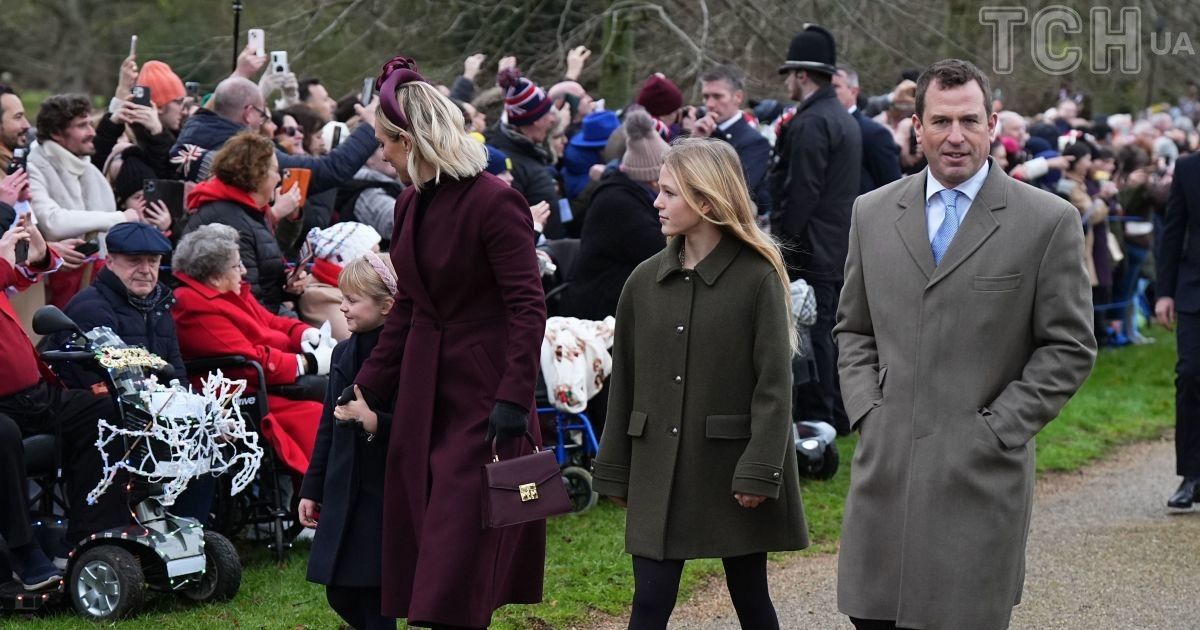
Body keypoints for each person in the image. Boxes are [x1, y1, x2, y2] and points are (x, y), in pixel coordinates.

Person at [834, 58, 1096, 630]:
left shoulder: (1047, 221)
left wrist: (999, 427)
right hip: (887, 472)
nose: (956, 137)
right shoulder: (872, 214)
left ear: (993, 125)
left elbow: (1070, 346)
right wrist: (867, 410)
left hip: (978, 476)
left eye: (970, 121)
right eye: (942, 122)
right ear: (917, 128)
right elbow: (853, 328)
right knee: (873, 615)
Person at [350, 55, 547, 629]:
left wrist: (514, 396)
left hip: (482, 396)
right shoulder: (410, 203)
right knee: (427, 546)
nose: (381, 152)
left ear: (410, 141)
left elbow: (527, 304)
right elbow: (409, 304)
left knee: (457, 552)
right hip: (422, 391)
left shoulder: (494, 201)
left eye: (386, 141)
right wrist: (367, 385)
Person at [592, 137, 807, 629]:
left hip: (729, 467)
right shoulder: (643, 282)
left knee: (751, 599)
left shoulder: (757, 278)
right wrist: (615, 467)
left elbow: (774, 385)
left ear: (705, 201)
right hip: (657, 471)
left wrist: (759, 468)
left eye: (669, 193)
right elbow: (623, 382)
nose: (656, 202)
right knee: (648, 605)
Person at [0, 211, 128, 589]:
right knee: (2, 432)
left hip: (33, 395)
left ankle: (87, 537)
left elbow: (21, 275)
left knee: (103, 411)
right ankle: (23, 551)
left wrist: (37, 256)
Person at [171, 223, 331, 475]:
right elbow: (246, 361)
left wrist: (302, 333)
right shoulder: (192, 305)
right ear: (214, 276)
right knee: (319, 416)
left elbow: (271, 321)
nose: (244, 271)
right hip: (243, 395)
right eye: (236, 266)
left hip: (268, 384)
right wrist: (307, 362)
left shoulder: (228, 292)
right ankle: (318, 498)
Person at [299, 254, 398, 630]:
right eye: (343, 298)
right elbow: (327, 425)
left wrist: (374, 422)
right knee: (339, 590)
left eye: (353, 301)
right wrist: (313, 488)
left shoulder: (405, 354)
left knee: (373, 592)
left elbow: (419, 422)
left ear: (387, 306)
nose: (343, 307)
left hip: (380, 489)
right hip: (343, 486)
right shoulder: (344, 352)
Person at [771, 25, 861, 436]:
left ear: (803, 75)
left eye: (789, 73)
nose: (787, 81)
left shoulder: (811, 124)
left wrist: (781, 245)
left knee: (815, 333)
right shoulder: (839, 116)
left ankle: (820, 417)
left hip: (812, 249)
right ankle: (837, 415)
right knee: (828, 330)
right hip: (834, 243)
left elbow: (801, 192)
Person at [170, 76, 377, 195]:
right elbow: (328, 170)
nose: (263, 123)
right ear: (249, 112)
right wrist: (370, 127)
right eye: (261, 115)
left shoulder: (192, 131)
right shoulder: (245, 152)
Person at [27, 94, 140, 307]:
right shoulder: (35, 165)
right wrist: (118, 218)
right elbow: (52, 222)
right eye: (82, 125)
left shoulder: (87, 167)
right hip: (52, 292)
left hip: (93, 287)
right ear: (56, 133)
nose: (92, 132)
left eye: (90, 123)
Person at [183, 131, 310, 314]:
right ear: (257, 175)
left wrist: (288, 282)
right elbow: (249, 299)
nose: (279, 178)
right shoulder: (230, 220)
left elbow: (261, 274)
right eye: (274, 171)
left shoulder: (246, 211)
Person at [563, 110, 666, 320]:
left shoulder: (628, 192)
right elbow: (662, 252)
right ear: (654, 181)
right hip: (599, 313)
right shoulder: (618, 203)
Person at [1156, 150, 1200, 508]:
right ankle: (1191, 474)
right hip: (1193, 291)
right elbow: (1173, 232)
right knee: (1190, 375)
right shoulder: (1187, 169)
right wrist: (1164, 292)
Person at [485, 67, 567, 238]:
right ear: (534, 120)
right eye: (547, 114)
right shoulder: (506, 164)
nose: (552, 120)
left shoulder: (532, 152)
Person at [691, 65, 772, 217]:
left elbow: (738, 191)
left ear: (738, 97)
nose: (709, 104)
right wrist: (693, 142)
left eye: (717, 96)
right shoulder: (699, 133)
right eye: (706, 96)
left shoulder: (755, 142)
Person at [833, 64, 901, 195]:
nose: (829, 92)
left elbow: (893, 189)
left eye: (835, 87)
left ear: (853, 91)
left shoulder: (874, 134)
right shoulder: (820, 128)